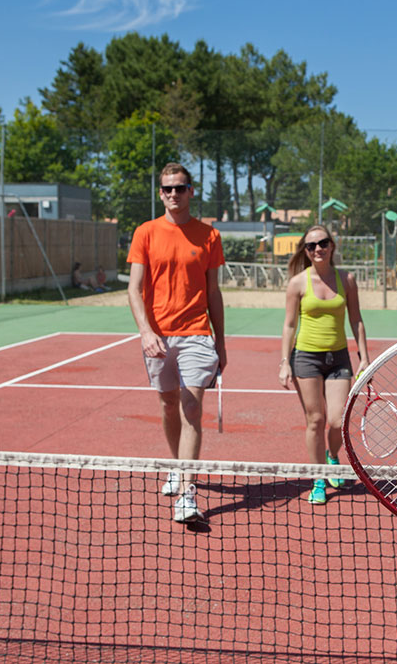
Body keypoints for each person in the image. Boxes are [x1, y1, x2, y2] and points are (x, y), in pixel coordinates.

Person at [127, 162, 226, 523]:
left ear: (191, 191)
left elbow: (214, 292)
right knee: (169, 405)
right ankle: (176, 466)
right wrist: (145, 331)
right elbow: (134, 289)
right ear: (160, 193)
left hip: (198, 333)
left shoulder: (209, 236)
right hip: (157, 337)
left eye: (180, 188)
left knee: (191, 409)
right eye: (167, 189)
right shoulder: (145, 233)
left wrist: (222, 343)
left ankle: (187, 493)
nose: (173, 194)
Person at [279, 225, 370, 504]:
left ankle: (332, 456)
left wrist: (364, 356)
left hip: (338, 357)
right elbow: (290, 324)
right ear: (305, 252)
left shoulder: (347, 279)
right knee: (315, 421)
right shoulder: (297, 283)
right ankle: (318, 479)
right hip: (305, 358)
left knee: (336, 420)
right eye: (311, 246)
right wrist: (284, 362)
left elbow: (356, 319)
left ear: (332, 245)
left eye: (323, 243)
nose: (317, 249)